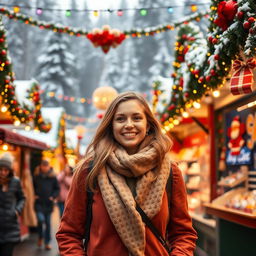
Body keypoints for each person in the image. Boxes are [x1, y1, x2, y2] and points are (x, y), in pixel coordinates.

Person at [56, 92, 197, 256]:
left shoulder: (170, 172)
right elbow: (68, 234)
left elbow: (183, 234)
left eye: (137, 118)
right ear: (111, 125)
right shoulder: (90, 170)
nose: (129, 125)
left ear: (148, 124)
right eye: (120, 119)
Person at [0, 153, 25, 256]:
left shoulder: (16, 181)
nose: (3, 173)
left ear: (10, 171)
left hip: (10, 226)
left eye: (6, 170)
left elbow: (22, 198)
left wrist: (17, 211)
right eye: (0, 170)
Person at [33, 159, 59, 250]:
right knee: (40, 220)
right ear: (41, 166)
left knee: (48, 223)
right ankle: (40, 237)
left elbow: (57, 188)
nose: (44, 168)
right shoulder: (36, 176)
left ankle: (47, 242)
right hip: (39, 203)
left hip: (48, 204)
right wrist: (34, 194)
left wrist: (53, 196)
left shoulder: (53, 176)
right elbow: (32, 186)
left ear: (48, 167)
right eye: (43, 166)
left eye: (46, 166)